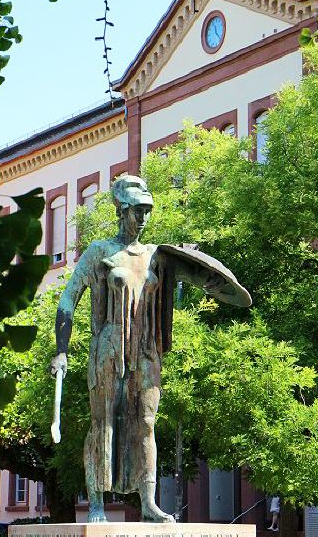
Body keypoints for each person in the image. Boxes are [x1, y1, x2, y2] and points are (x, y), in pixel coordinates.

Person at [50, 175, 250, 523]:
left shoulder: (157, 255)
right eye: (137, 210)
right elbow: (67, 301)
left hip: (146, 350)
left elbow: (201, 276)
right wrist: (61, 350)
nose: (143, 217)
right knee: (103, 423)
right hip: (108, 348)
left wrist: (214, 281)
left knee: (146, 423)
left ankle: (148, 503)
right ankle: (96, 503)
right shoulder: (99, 251)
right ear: (121, 211)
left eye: (147, 211)